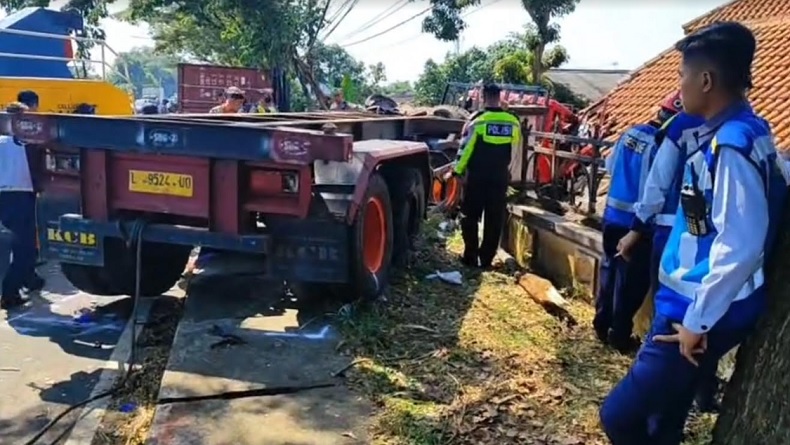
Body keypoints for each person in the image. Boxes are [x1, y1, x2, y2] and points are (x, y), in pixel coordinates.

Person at [600, 22, 789, 445]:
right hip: (696, 302)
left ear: (706, 80)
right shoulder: (751, 131)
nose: (679, 86)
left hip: (695, 310)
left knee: (619, 417)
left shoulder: (731, 146)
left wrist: (697, 322)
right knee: (666, 417)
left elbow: (739, 244)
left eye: (682, 76)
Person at [593, 96, 677, 353]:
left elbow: (609, 166)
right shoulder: (662, 144)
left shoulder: (630, 133)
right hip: (637, 225)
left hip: (612, 215)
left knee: (609, 270)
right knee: (632, 283)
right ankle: (619, 335)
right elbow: (657, 186)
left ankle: (601, 322)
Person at [452, 83, 521, 269]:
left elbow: (465, 148)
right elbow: (516, 148)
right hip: (499, 176)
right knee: (494, 218)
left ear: (483, 97)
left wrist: (458, 170)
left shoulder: (477, 120)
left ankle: (470, 256)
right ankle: (487, 259)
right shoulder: (512, 121)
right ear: (500, 97)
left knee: (470, 215)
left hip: (477, 175)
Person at [0, 103, 40, 309]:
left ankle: (26, 280)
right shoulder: (23, 142)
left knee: (13, 246)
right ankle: (9, 293)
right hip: (19, 197)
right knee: (24, 247)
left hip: (4, 196)